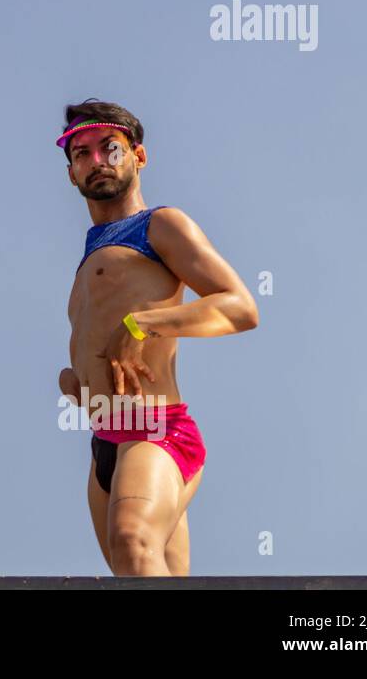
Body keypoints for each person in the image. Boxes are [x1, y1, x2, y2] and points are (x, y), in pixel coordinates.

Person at [56, 100, 258, 575]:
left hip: (157, 431)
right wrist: (74, 381)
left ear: (138, 157)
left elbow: (241, 307)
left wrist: (144, 324)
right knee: (139, 573)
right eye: (81, 153)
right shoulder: (90, 259)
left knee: (133, 542)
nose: (97, 161)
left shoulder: (160, 225)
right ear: (71, 173)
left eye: (110, 148)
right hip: (105, 443)